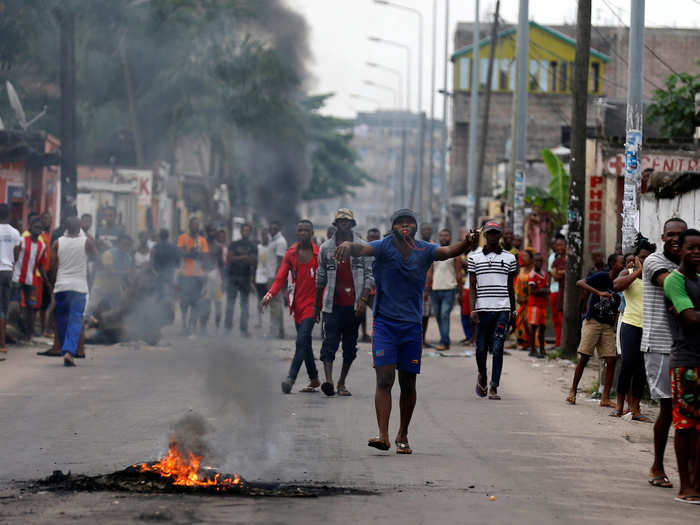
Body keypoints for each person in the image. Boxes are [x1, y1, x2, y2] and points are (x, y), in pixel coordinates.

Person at [334, 209, 478, 454]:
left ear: (415, 227)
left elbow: (446, 252)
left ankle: (403, 434)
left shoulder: (424, 249)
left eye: (409, 223)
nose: (404, 226)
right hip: (384, 324)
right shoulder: (383, 246)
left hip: (411, 325)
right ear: (392, 227)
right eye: (399, 223)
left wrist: (467, 242)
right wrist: (348, 244)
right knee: (385, 379)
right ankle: (383, 434)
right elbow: (363, 249)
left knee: (408, 383)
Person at [642, 217, 687, 489]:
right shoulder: (653, 261)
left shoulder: (690, 265)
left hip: (687, 346)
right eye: (670, 234)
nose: (674, 239)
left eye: (679, 235)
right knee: (668, 410)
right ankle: (657, 465)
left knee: (688, 411)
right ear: (662, 236)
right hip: (660, 345)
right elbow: (670, 284)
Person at [314, 209, 373, 397]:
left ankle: (342, 382)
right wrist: (316, 306)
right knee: (329, 343)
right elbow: (320, 277)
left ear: (352, 223)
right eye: (341, 221)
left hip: (354, 306)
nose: (344, 224)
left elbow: (369, 275)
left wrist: (363, 299)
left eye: (347, 221)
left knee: (349, 346)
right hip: (332, 305)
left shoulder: (362, 246)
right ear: (336, 224)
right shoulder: (325, 248)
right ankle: (329, 381)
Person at [663, 228, 700, 504]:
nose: (696, 252)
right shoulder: (675, 281)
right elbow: (689, 318)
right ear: (680, 249)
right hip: (685, 361)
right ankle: (685, 484)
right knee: (685, 425)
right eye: (691, 247)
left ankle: (696, 482)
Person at [261, 220, 320, 394]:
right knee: (306, 343)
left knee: (301, 340)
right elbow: (280, 278)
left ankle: (291, 378)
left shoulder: (319, 255)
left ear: (312, 233)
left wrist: (321, 306)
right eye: (300, 230)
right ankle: (314, 377)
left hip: (312, 305)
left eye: (306, 230)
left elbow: (325, 282)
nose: (302, 233)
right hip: (297, 305)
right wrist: (269, 295)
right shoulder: (291, 254)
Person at [565, 253, 624, 407]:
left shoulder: (622, 282)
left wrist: (615, 320)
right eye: (621, 262)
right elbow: (580, 283)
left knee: (611, 360)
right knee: (584, 357)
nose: (623, 265)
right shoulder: (602, 277)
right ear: (612, 264)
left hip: (607, 325)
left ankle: (605, 398)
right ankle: (573, 391)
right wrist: (598, 292)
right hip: (593, 322)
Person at [469, 221, 517, 400]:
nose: (493, 236)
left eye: (496, 233)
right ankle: (482, 373)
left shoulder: (510, 258)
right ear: (485, 235)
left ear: (500, 235)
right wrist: (473, 308)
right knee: (480, 349)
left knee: (497, 348)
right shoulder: (474, 257)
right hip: (482, 310)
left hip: (502, 309)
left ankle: (494, 387)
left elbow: (510, 286)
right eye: (489, 233)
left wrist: (513, 311)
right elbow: (472, 285)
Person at [611, 236, 656, 421]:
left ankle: (635, 409)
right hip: (630, 325)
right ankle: (619, 406)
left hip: (648, 327)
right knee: (627, 364)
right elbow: (617, 286)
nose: (645, 261)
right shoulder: (627, 273)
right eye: (642, 257)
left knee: (641, 369)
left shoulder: (656, 276)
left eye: (648, 258)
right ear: (637, 257)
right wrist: (638, 271)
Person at [50, 216, 96, 366]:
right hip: (79, 287)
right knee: (75, 319)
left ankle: (66, 349)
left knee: (62, 319)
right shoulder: (86, 242)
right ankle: (69, 351)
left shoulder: (57, 243)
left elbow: (53, 266)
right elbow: (96, 258)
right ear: (80, 228)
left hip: (61, 286)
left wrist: (53, 285)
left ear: (66, 227)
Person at [12, 217, 49, 339]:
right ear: (30, 228)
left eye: (39, 228)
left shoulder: (42, 246)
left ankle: (29, 333)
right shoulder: (22, 241)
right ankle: (16, 329)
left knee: (31, 307)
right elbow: (14, 256)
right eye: (35, 227)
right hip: (16, 278)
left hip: (31, 281)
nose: (38, 230)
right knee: (16, 305)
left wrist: (46, 281)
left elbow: (41, 265)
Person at [428, 228, 463, 351]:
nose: (443, 238)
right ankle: (443, 337)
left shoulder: (455, 254)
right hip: (435, 288)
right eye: (441, 235)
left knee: (444, 314)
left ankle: (445, 342)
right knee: (438, 315)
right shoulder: (435, 252)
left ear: (450, 238)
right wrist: (427, 290)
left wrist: (461, 292)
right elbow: (430, 272)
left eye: (446, 235)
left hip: (449, 288)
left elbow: (459, 274)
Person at [177, 218, 209, 334]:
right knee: (184, 301)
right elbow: (180, 253)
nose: (195, 227)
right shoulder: (183, 238)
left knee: (196, 301)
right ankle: (184, 324)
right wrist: (191, 253)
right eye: (193, 225)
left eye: (197, 225)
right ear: (189, 226)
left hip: (198, 275)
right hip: (185, 274)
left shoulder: (202, 241)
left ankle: (192, 325)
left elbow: (204, 257)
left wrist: (189, 254)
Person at [225, 223, 257, 336]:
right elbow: (229, 258)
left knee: (244, 305)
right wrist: (244, 257)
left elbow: (253, 261)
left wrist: (237, 258)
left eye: (248, 230)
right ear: (241, 231)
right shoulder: (234, 244)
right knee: (230, 304)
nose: (246, 232)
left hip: (245, 277)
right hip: (233, 277)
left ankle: (243, 330)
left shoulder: (253, 246)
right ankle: (227, 330)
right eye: (244, 230)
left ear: (250, 232)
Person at [0, 204, 21, 357]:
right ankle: (3, 344)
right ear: (8, 215)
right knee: (4, 308)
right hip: (8, 272)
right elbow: (16, 253)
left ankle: (1, 343)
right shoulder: (15, 232)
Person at [151, 229, 180, 324]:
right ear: (168, 236)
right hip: (170, 274)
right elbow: (178, 262)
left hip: (159, 275)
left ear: (160, 236)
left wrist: (156, 271)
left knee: (160, 296)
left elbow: (152, 262)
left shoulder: (155, 247)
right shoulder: (174, 247)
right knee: (169, 296)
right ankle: (169, 317)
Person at [359, 227, 381, 342]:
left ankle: (376, 334)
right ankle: (363, 334)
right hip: (363, 288)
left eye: (376, 237)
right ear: (367, 238)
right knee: (361, 313)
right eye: (371, 237)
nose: (374, 239)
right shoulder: (361, 251)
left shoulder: (382, 252)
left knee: (377, 312)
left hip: (376, 289)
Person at [267, 220, 288, 339]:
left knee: (276, 304)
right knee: (275, 304)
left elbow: (280, 262)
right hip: (271, 275)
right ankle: (279, 332)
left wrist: (277, 279)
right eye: (271, 228)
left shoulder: (280, 242)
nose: (272, 230)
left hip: (274, 277)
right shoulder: (273, 240)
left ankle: (276, 331)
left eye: (275, 228)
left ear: (279, 228)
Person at [527, 252, 549, 359]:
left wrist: (543, 291)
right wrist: (544, 291)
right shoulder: (532, 275)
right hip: (534, 304)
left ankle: (542, 349)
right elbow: (532, 291)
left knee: (543, 327)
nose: (539, 263)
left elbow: (545, 289)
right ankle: (532, 349)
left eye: (540, 261)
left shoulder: (544, 274)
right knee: (533, 326)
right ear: (533, 262)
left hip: (543, 305)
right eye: (537, 261)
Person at [254, 228, 276, 330]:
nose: (264, 237)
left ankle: (271, 324)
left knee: (270, 301)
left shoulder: (272, 248)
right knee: (260, 301)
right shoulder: (258, 247)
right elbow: (255, 263)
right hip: (259, 278)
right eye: (263, 235)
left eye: (266, 235)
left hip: (270, 277)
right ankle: (259, 321)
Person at [548, 233, 566, 347]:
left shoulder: (571, 258)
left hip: (566, 292)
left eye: (561, 245)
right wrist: (563, 273)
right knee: (557, 318)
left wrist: (560, 273)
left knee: (563, 318)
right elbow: (555, 276)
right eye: (556, 245)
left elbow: (569, 273)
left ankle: (563, 342)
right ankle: (558, 342)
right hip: (556, 290)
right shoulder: (554, 259)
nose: (558, 247)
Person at [514, 248, 534, 350]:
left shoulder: (534, 271)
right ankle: (523, 342)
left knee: (529, 322)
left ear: (531, 258)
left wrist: (528, 298)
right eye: (523, 257)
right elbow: (517, 285)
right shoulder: (521, 270)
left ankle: (532, 344)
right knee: (519, 321)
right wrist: (518, 296)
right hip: (521, 302)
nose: (523, 259)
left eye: (526, 256)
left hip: (531, 302)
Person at [419, 223, 433, 348]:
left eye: (429, 229)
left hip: (428, 286)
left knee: (426, 315)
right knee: (418, 314)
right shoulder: (416, 246)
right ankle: (418, 339)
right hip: (417, 285)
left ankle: (423, 339)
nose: (426, 232)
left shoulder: (434, 247)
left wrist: (428, 288)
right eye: (424, 230)